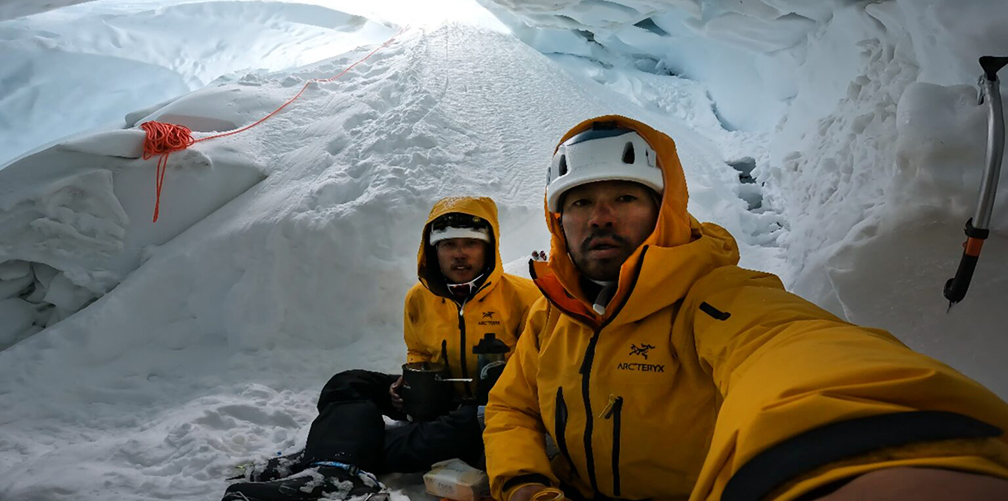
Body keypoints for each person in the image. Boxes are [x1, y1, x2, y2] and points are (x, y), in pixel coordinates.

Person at [483, 115, 1008, 501]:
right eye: (579, 202)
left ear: (663, 210)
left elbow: (794, 352)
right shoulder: (550, 317)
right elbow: (511, 408)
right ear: (559, 221)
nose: (600, 217)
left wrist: (856, 453)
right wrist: (524, 482)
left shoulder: (714, 297)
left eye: (624, 197)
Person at [224, 196, 541, 501]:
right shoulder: (419, 298)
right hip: (440, 398)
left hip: (491, 410)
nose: (460, 254)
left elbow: (537, 371)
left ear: (489, 248)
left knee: (409, 445)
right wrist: (407, 387)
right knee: (347, 383)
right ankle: (331, 463)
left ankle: (327, 456)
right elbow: (419, 353)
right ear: (433, 251)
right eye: (448, 245)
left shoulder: (524, 297)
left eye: (471, 244)